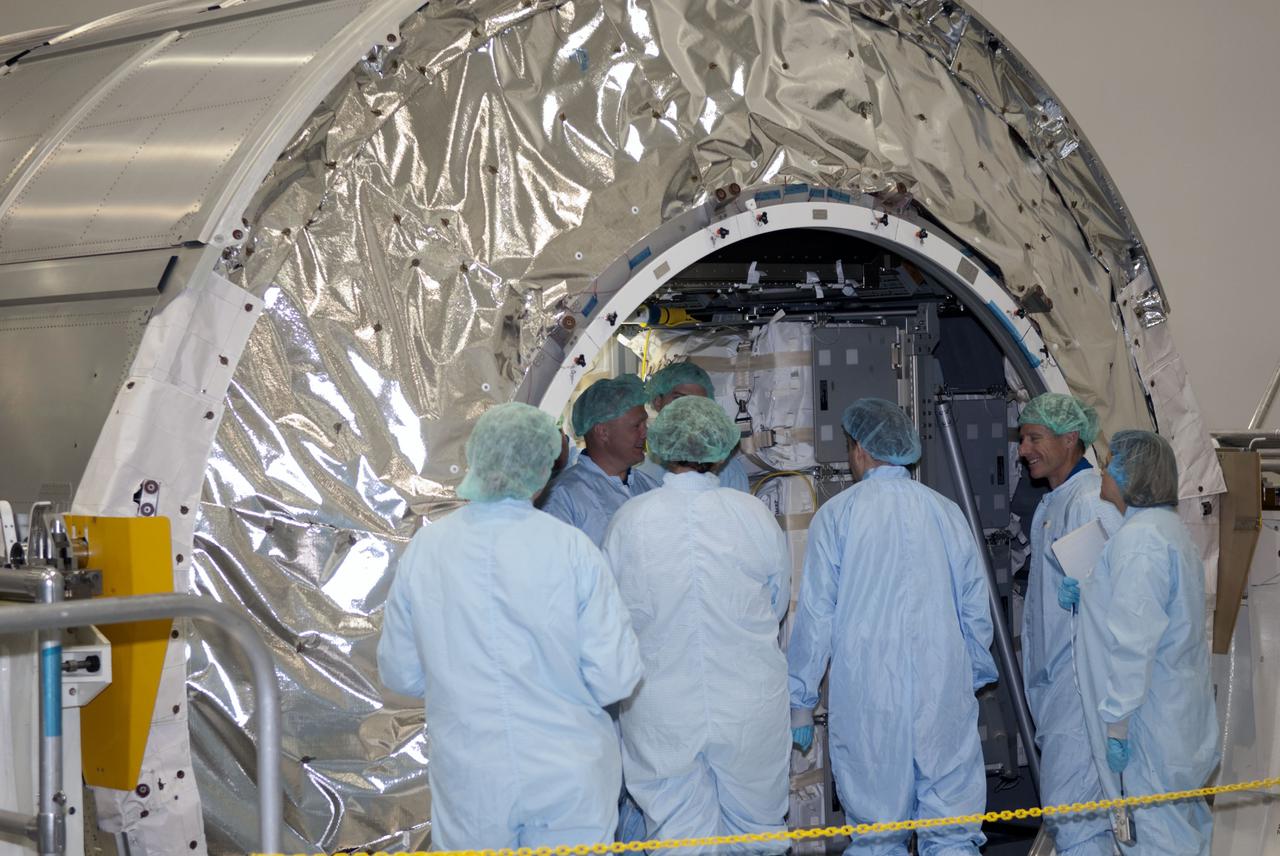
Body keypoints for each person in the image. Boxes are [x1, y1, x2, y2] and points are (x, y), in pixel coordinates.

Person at [377, 402, 644, 849]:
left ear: (478, 459)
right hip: (567, 773)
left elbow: (400, 673)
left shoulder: (427, 550)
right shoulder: (572, 549)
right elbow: (615, 677)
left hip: (471, 776)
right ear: (544, 470)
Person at [787, 398, 996, 855]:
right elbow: (975, 609)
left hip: (869, 700)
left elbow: (817, 615)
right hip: (943, 693)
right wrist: (971, 673)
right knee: (953, 833)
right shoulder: (945, 511)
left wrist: (800, 700)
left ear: (860, 449)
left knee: (878, 834)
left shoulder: (837, 516)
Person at [602, 396, 790, 848]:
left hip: (661, 708)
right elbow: (777, 601)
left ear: (662, 448)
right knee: (757, 831)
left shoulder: (630, 519)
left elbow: (612, 615)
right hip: (749, 703)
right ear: (722, 450)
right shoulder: (753, 514)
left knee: (679, 837)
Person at [1073, 430, 1218, 855]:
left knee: (1158, 840)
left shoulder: (1141, 541)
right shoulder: (1166, 531)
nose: (1103, 469)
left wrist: (1117, 724)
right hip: (1177, 715)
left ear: (1131, 474)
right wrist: (1086, 591)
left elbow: (1135, 642)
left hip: (1148, 724)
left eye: (1110, 461)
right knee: (1184, 832)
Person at [1016, 393, 1124, 856]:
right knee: (1082, 822)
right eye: (1022, 438)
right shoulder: (1054, 503)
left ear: (1070, 438)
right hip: (1057, 690)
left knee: (1075, 822)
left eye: (1035, 438)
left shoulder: (1089, 502)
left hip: (1081, 694)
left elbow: (1117, 610)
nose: (1024, 450)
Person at [543, 374, 660, 546]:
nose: (645, 433)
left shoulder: (650, 487)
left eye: (645, 425)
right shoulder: (563, 497)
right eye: (636, 426)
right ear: (603, 432)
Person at [639, 361, 751, 492]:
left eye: (698, 403)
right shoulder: (641, 471)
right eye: (679, 399)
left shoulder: (730, 470)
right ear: (658, 402)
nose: (689, 409)